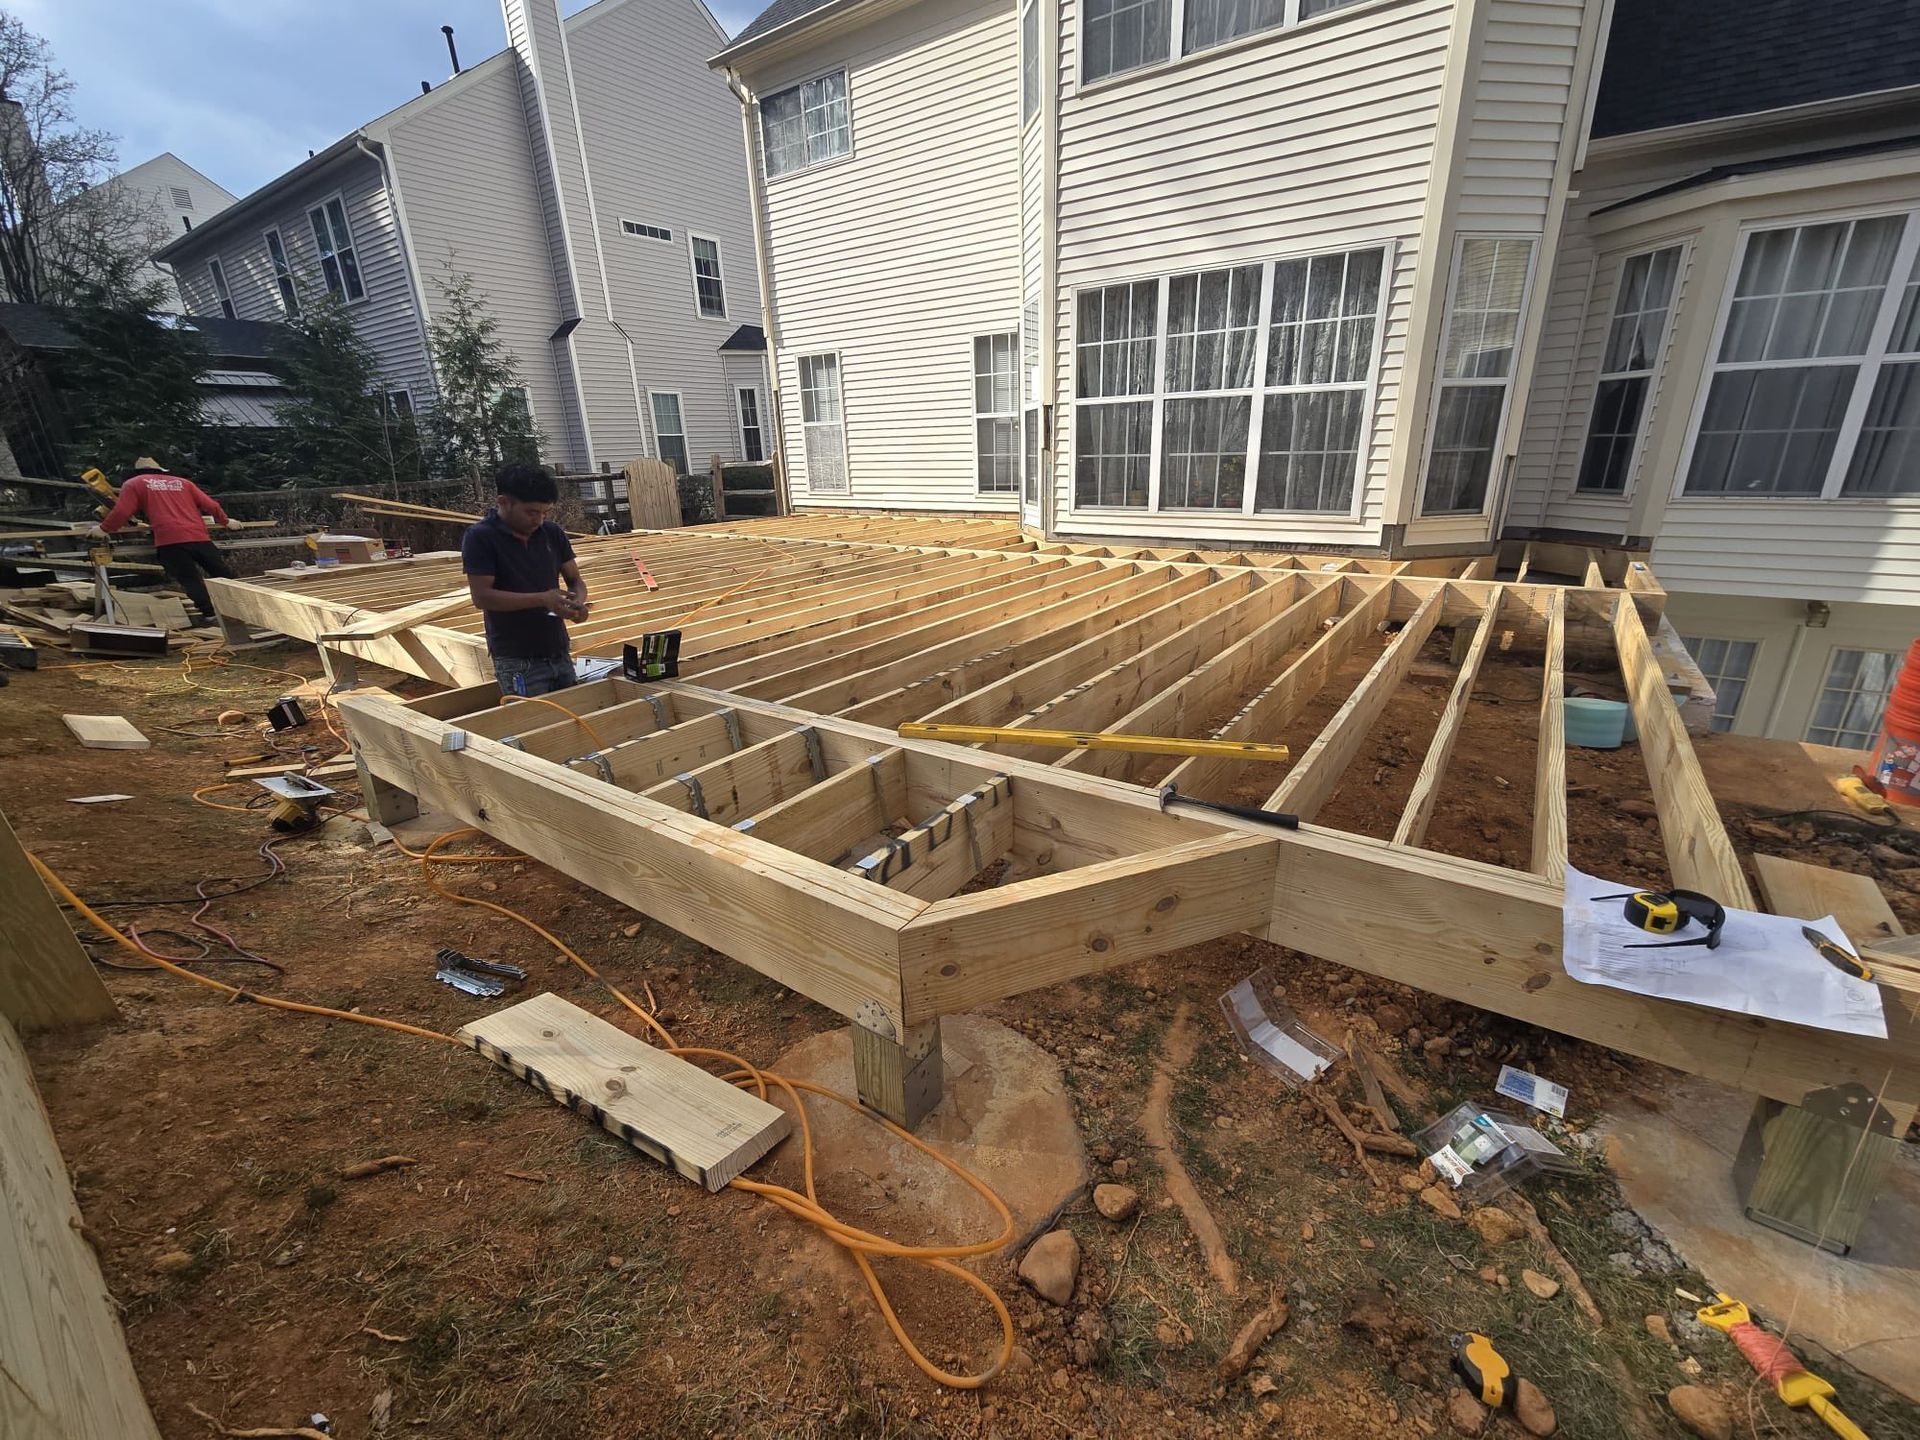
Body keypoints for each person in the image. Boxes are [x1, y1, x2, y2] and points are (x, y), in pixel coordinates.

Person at [462, 461, 590, 697]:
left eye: (544, 513)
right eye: (531, 512)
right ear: (504, 502)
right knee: (533, 727)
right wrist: (543, 599)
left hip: (558, 650)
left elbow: (575, 580)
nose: (539, 520)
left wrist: (577, 604)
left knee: (573, 722)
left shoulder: (551, 533)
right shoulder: (481, 537)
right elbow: (482, 596)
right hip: (518, 660)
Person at [92, 457, 234, 619]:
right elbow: (211, 505)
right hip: (199, 536)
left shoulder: (134, 484)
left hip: (170, 540)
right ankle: (242, 608)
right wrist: (226, 521)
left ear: (137, 472)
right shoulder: (183, 483)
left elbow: (123, 511)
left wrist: (104, 528)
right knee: (223, 575)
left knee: (190, 580)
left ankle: (210, 614)